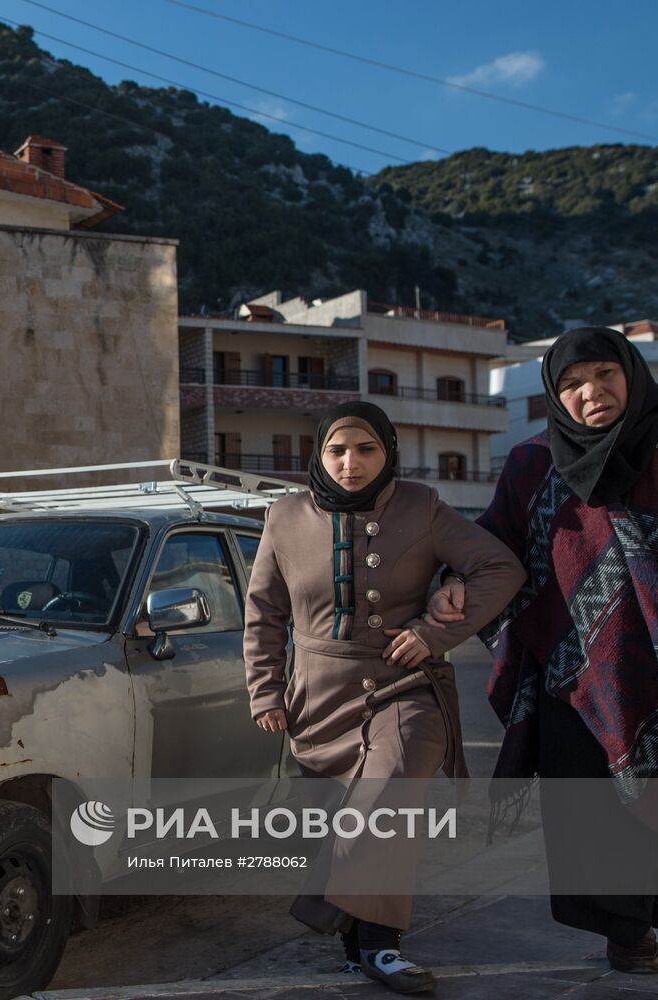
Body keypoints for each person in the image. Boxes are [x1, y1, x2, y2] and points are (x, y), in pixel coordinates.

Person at [426, 326, 658, 973]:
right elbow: (492, 545)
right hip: (581, 672)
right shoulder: (531, 465)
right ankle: (626, 933)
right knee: (595, 820)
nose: (589, 393)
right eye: (571, 384)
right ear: (554, 395)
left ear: (631, 371)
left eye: (603, 374)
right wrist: (452, 584)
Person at [244, 401, 524, 993]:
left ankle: (379, 946)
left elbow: (499, 568)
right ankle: (356, 945)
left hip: (405, 685)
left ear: (387, 452)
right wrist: (265, 690)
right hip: (318, 694)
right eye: (337, 450)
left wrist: (434, 629)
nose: (351, 463)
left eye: (366, 449)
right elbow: (265, 614)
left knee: (388, 792)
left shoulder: (422, 506)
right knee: (342, 820)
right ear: (318, 455)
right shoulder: (284, 516)